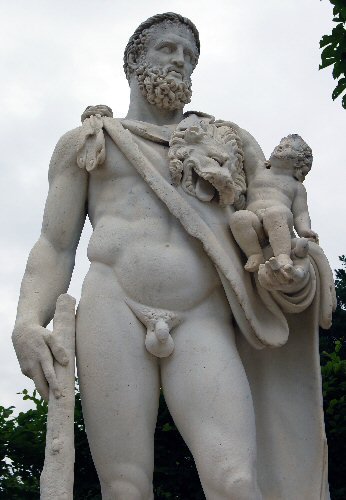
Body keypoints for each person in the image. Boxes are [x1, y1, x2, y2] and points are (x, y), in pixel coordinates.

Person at [12, 12, 335, 500]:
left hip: (203, 314)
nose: (181, 60)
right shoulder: (90, 141)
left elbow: (272, 210)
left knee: (237, 481)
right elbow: (54, 244)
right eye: (168, 49)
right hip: (113, 306)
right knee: (125, 486)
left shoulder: (226, 142)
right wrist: (26, 322)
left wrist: (291, 265)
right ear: (134, 62)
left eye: (190, 55)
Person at [230, 134, 318, 272]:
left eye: (288, 146)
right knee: (239, 217)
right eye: (280, 144)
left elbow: (301, 213)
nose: (281, 146)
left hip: (280, 222)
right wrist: (233, 127)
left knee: (275, 213)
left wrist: (304, 230)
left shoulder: (296, 186)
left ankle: (282, 255)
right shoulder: (258, 171)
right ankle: (254, 253)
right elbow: (248, 146)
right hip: (254, 222)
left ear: (298, 161)